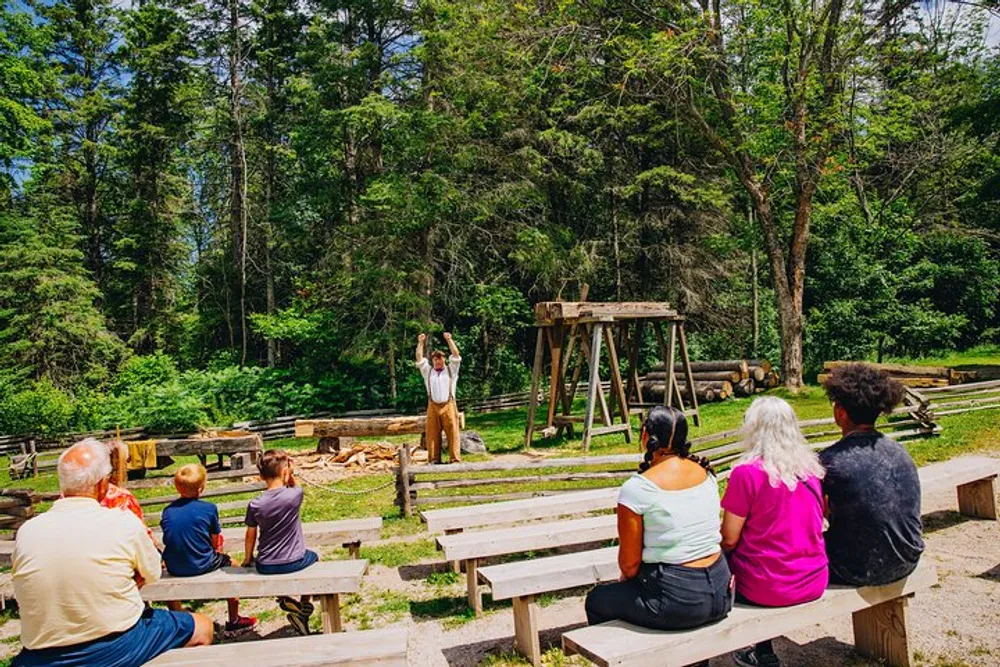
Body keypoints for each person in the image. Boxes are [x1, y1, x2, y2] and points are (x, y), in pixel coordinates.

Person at [11, 439, 213, 667]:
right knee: (203, 626)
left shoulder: (28, 532)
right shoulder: (122, 522)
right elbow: (152, 573)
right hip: (114, 644)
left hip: (38, 655)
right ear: (102, 484)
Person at [584, 406, 732, 658]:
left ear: (645, 437)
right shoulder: (706, 474)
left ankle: (631, 659)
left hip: (678, 600)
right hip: (721, 591)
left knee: (597, 601)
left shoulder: (638, 489)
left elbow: (629, 566)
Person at [721, 397, 828, 667]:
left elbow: (729, 539)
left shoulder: (746, 474)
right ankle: (763, 651)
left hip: (766, 586)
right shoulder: (811, 471)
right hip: (813, 578)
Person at [821, 363, 925, 586]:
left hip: (858, 568)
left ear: (840, 412)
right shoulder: (900, 451)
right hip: (907, 558)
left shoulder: (830, 461)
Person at [161, 463, 257, 633]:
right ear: (201, 488)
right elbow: (214, 540)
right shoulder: (208, 509)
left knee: (166, 584)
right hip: (202, 563)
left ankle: (177, 617)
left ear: (177, 487)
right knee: (233, 566)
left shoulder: (168, 511)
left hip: (174, 565)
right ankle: (234, 618)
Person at [241, 450, 318, 636]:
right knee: (314, 558)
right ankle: (303, 607)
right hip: (294, 561)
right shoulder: (294, 495)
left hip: (265, 564)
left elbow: (250, 535)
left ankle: (285, 599)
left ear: (260, 476)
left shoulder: (255, 504)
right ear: (284, 472)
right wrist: (290, 473)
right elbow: (294, 486)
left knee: (274, 566)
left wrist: (248, 558)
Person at [100, 439, 159, 548]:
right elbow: (142, 531)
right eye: (126, 461)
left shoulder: (81, 492)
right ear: (121, 463)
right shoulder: (121, 497)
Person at [415, 332, 462, 464]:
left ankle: (454, 459)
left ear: (444, 360)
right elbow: (419, 358)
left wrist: (449, 340)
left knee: (453, 432)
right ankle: (434, 459)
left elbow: (456, 354)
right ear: (432, 361)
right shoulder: (427, 371)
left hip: (449, 404)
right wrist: (420, 343)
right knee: (432, 433)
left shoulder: (451, 370)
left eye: (440, 358)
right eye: (435, 359)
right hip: (433, 405)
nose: (437, 361)